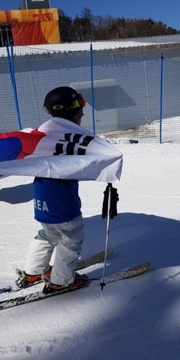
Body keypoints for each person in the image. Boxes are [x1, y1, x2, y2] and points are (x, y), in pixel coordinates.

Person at [16, 86, 109, 294]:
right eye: (79, 107)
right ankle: (62, 280)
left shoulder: (44, 135)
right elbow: (92, 155)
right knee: (71, 240)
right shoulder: (70, 138)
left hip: (42, 197)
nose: (83, 112)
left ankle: (34, 271)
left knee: (48, 234)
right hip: (63, 201)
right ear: (68, 110)